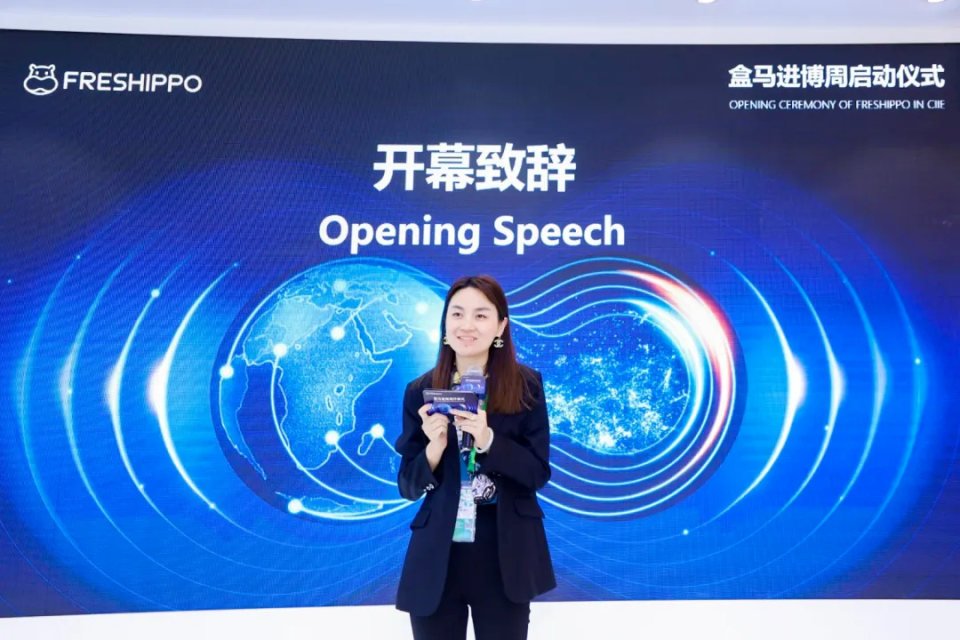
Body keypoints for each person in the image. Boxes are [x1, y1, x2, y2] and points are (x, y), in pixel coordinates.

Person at [394, 275, 556, 640]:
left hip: (505, 553)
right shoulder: (420, 391)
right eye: (457, 314)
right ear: (445, 324)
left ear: (500, 326)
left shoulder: (527, 386)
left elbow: (537, 473)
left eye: (481, 315)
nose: (467, 325)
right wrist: (434, 448)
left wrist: (488, 439)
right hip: (438, 556)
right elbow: (407, 486)